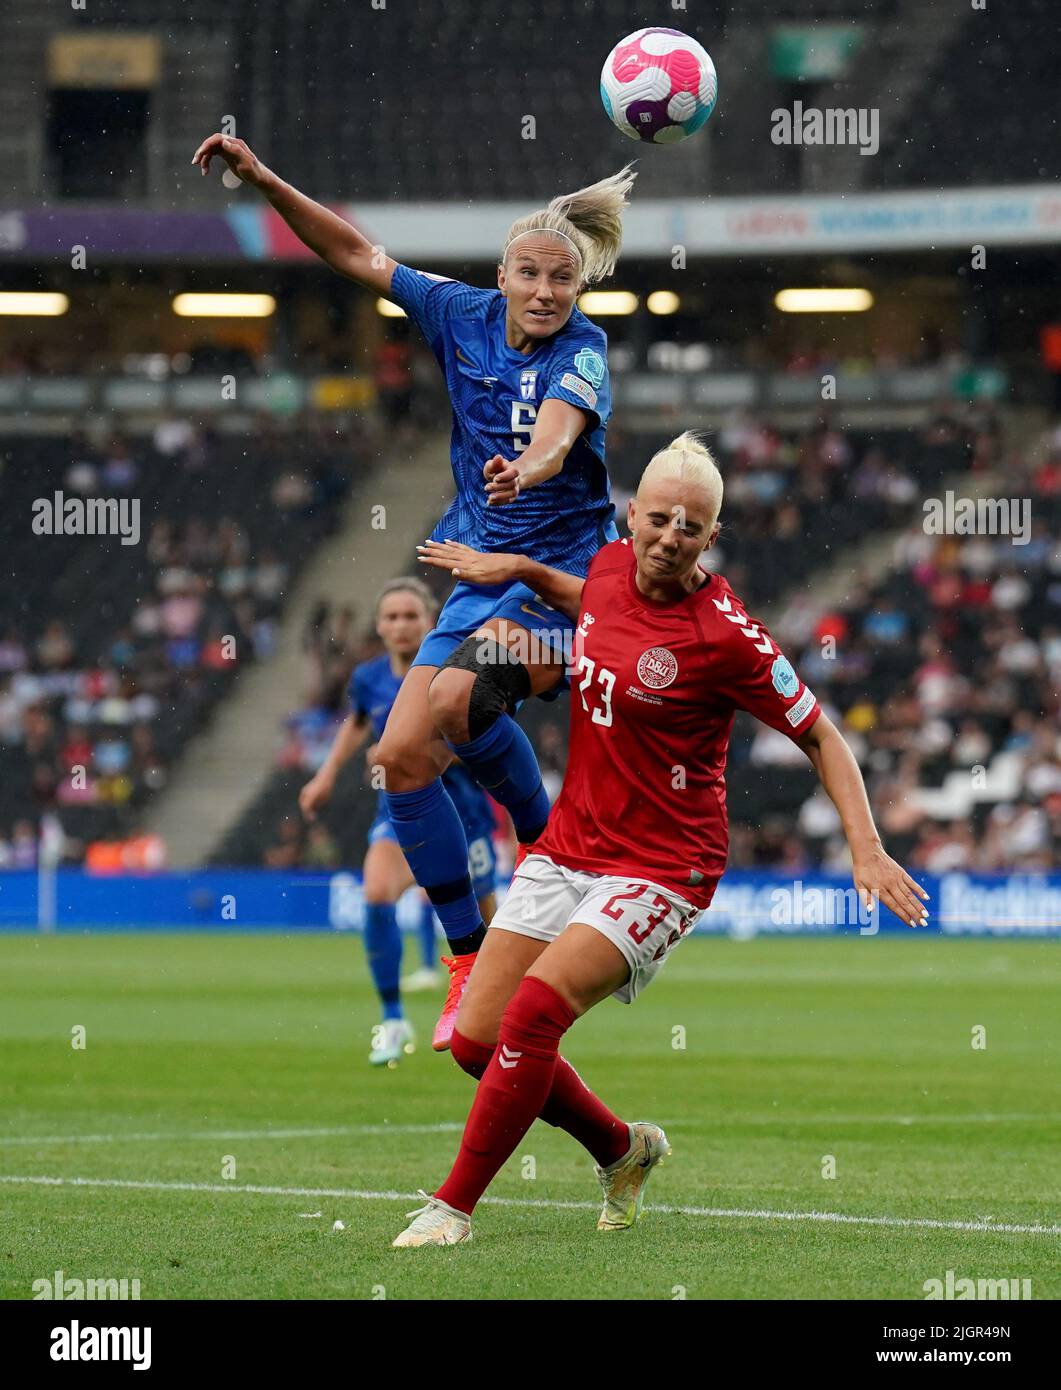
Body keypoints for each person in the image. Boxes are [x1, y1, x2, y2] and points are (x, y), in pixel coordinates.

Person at [395, 432, 930, 1245]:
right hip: (571, 844)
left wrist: (865, 846)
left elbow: (822, 735)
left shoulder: (727, 637)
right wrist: (524, 572)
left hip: (662, 867)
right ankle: (623, 1149)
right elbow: (594, 600)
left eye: (690, 526)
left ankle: (452, 1207)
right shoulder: (609, 566)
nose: (669, 538)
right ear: (630, 517)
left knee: (535, 1015)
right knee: (478, 1041)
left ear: (710, 538)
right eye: (657, 519)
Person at [192, 130, 634, 1048]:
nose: (546, 292)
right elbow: (353, 252)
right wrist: (266, 177)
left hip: (566, 580)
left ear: (577, 288)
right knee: (397, 758)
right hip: (475, 569)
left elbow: (558, 431)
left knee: (461, 698)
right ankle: (470, 952)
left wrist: (535, 464)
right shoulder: (455, 314)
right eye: (529, 274)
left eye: (562, 279)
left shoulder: (583, 350)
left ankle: (548, 848)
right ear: (502, 275)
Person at [299, 579, 498, 1066]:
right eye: (390, 617)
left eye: (410, 616)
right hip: (399, 812)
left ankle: (501, 1026)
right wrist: (325, 775)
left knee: (490, 933)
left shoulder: (454, 672)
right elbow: (360, 723)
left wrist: (412, 754)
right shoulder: (368, 679)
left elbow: (482, 740)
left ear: (431, 621)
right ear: (380, 626)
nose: (400, 626)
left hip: (464, 814)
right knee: (376, 893)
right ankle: (392, 1019)